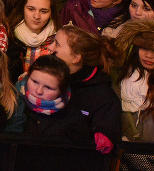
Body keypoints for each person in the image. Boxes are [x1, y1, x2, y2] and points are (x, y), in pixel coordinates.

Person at [50, 24, 122, 154]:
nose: (50, 48)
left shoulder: (104, 98)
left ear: (76, 57)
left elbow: (104, 141)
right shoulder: (50, 80)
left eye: (57, 44)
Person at [7, 0, 59, 76]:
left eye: (43, 11)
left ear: (51, 14)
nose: (36, 16)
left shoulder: (59, 41)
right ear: (23, 9)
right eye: (31, 9)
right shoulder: (8, 36)